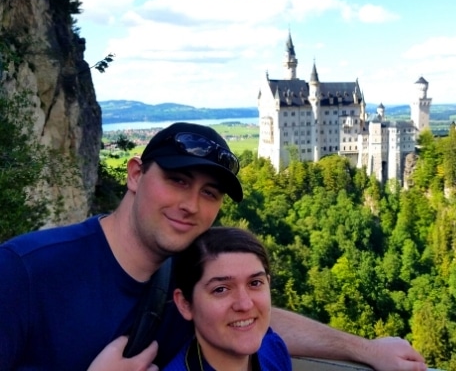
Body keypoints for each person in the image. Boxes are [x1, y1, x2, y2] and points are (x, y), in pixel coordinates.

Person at [0, 122, 427, 371]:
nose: (190, 205)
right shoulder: (26, 271)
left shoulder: (184, 278)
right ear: (134, 175)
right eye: (177, 181)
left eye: (210, 193)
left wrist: (367, 350)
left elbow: (250, 315)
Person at [163, 226, 291, 371]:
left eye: (255, 283)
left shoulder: (273, 350)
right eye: (221, 289)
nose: (245, 304)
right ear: (185, 304)